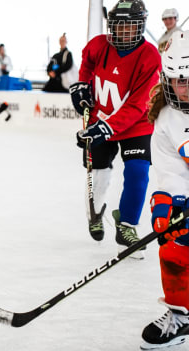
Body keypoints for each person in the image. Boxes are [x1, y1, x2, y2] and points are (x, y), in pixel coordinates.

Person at [70, 0, 161, 258]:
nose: (122, 32)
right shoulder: (98, 44)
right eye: (117, 26)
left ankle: (127, 226)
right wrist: (82, 85)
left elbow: (138, 104)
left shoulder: (150, 57)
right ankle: (96, 212)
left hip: (136, 124)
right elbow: (87, 66)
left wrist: (107, 128)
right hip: (100, 118)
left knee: (138, 173)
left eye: (129, 27)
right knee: (98, 175)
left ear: (140, 27)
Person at [140, 29, 189, 350]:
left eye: (185, 79)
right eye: (175, 80)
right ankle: (182, 316)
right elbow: (171, 170)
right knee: (173, 246)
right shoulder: (167, 118)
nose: (179, 88)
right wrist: (167, 203)